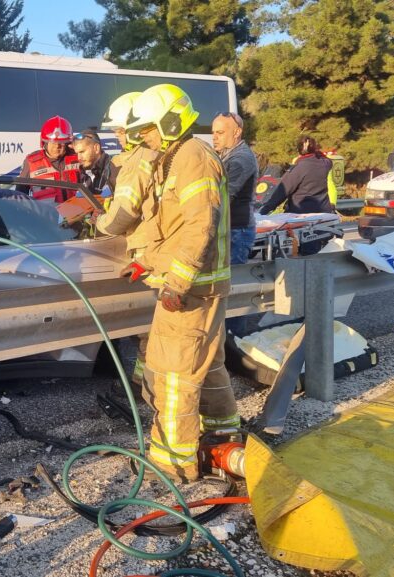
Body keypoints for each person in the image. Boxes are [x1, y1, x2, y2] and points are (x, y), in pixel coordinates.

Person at [121, 84, 239, 483]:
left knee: (174, 376)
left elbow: (200, 224)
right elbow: (169, 225)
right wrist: (145, 261)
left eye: (147, 128)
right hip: (195, 286)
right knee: (208, 366)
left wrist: (176, 281)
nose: (142, 137)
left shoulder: (192, 158)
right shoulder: (177, 156)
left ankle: (173, 461)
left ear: (170, 121)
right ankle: (222, 434)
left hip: (191, 290)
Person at [96, 91, 158, 388]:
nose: (118, 137)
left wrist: (98, 223)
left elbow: (124, 212)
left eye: (120, 131)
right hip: (157, 248)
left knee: (149, 327)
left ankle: (146, 388)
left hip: (149, 250)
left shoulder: (137, 161)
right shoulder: (156, 155)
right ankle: (143, 384)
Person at [259, 135, 334, 255]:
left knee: (301, 252)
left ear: (298, 150)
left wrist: (264, 211)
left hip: (301, 216)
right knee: (315, 251)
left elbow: (282, 191)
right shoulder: (324, 164)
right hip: (321, 213)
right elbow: (328, 160)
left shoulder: (299, 168)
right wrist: (317, 152)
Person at [212, 113, 258, 268]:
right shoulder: (228, 155)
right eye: (213, 132)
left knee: (232, 284)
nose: (214, 137)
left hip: (237, 231)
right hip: (232, 228)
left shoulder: (241, 159)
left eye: (220, 133)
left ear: (237, 132)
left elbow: (224, 196)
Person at [17, 116, 80, 202]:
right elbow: (20, 195)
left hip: (76, 214)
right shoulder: (31, 162)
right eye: (53, 142)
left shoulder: (78, 158)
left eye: (61, 143)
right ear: (45, 143)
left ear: (68, 143)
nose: (57, 146)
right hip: (45, 214)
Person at [73, 128, 119, 194]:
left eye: (82, 152)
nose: (79, 157)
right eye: (77, 153)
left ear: (96, 148)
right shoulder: (84, 173)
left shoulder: (114, 169)